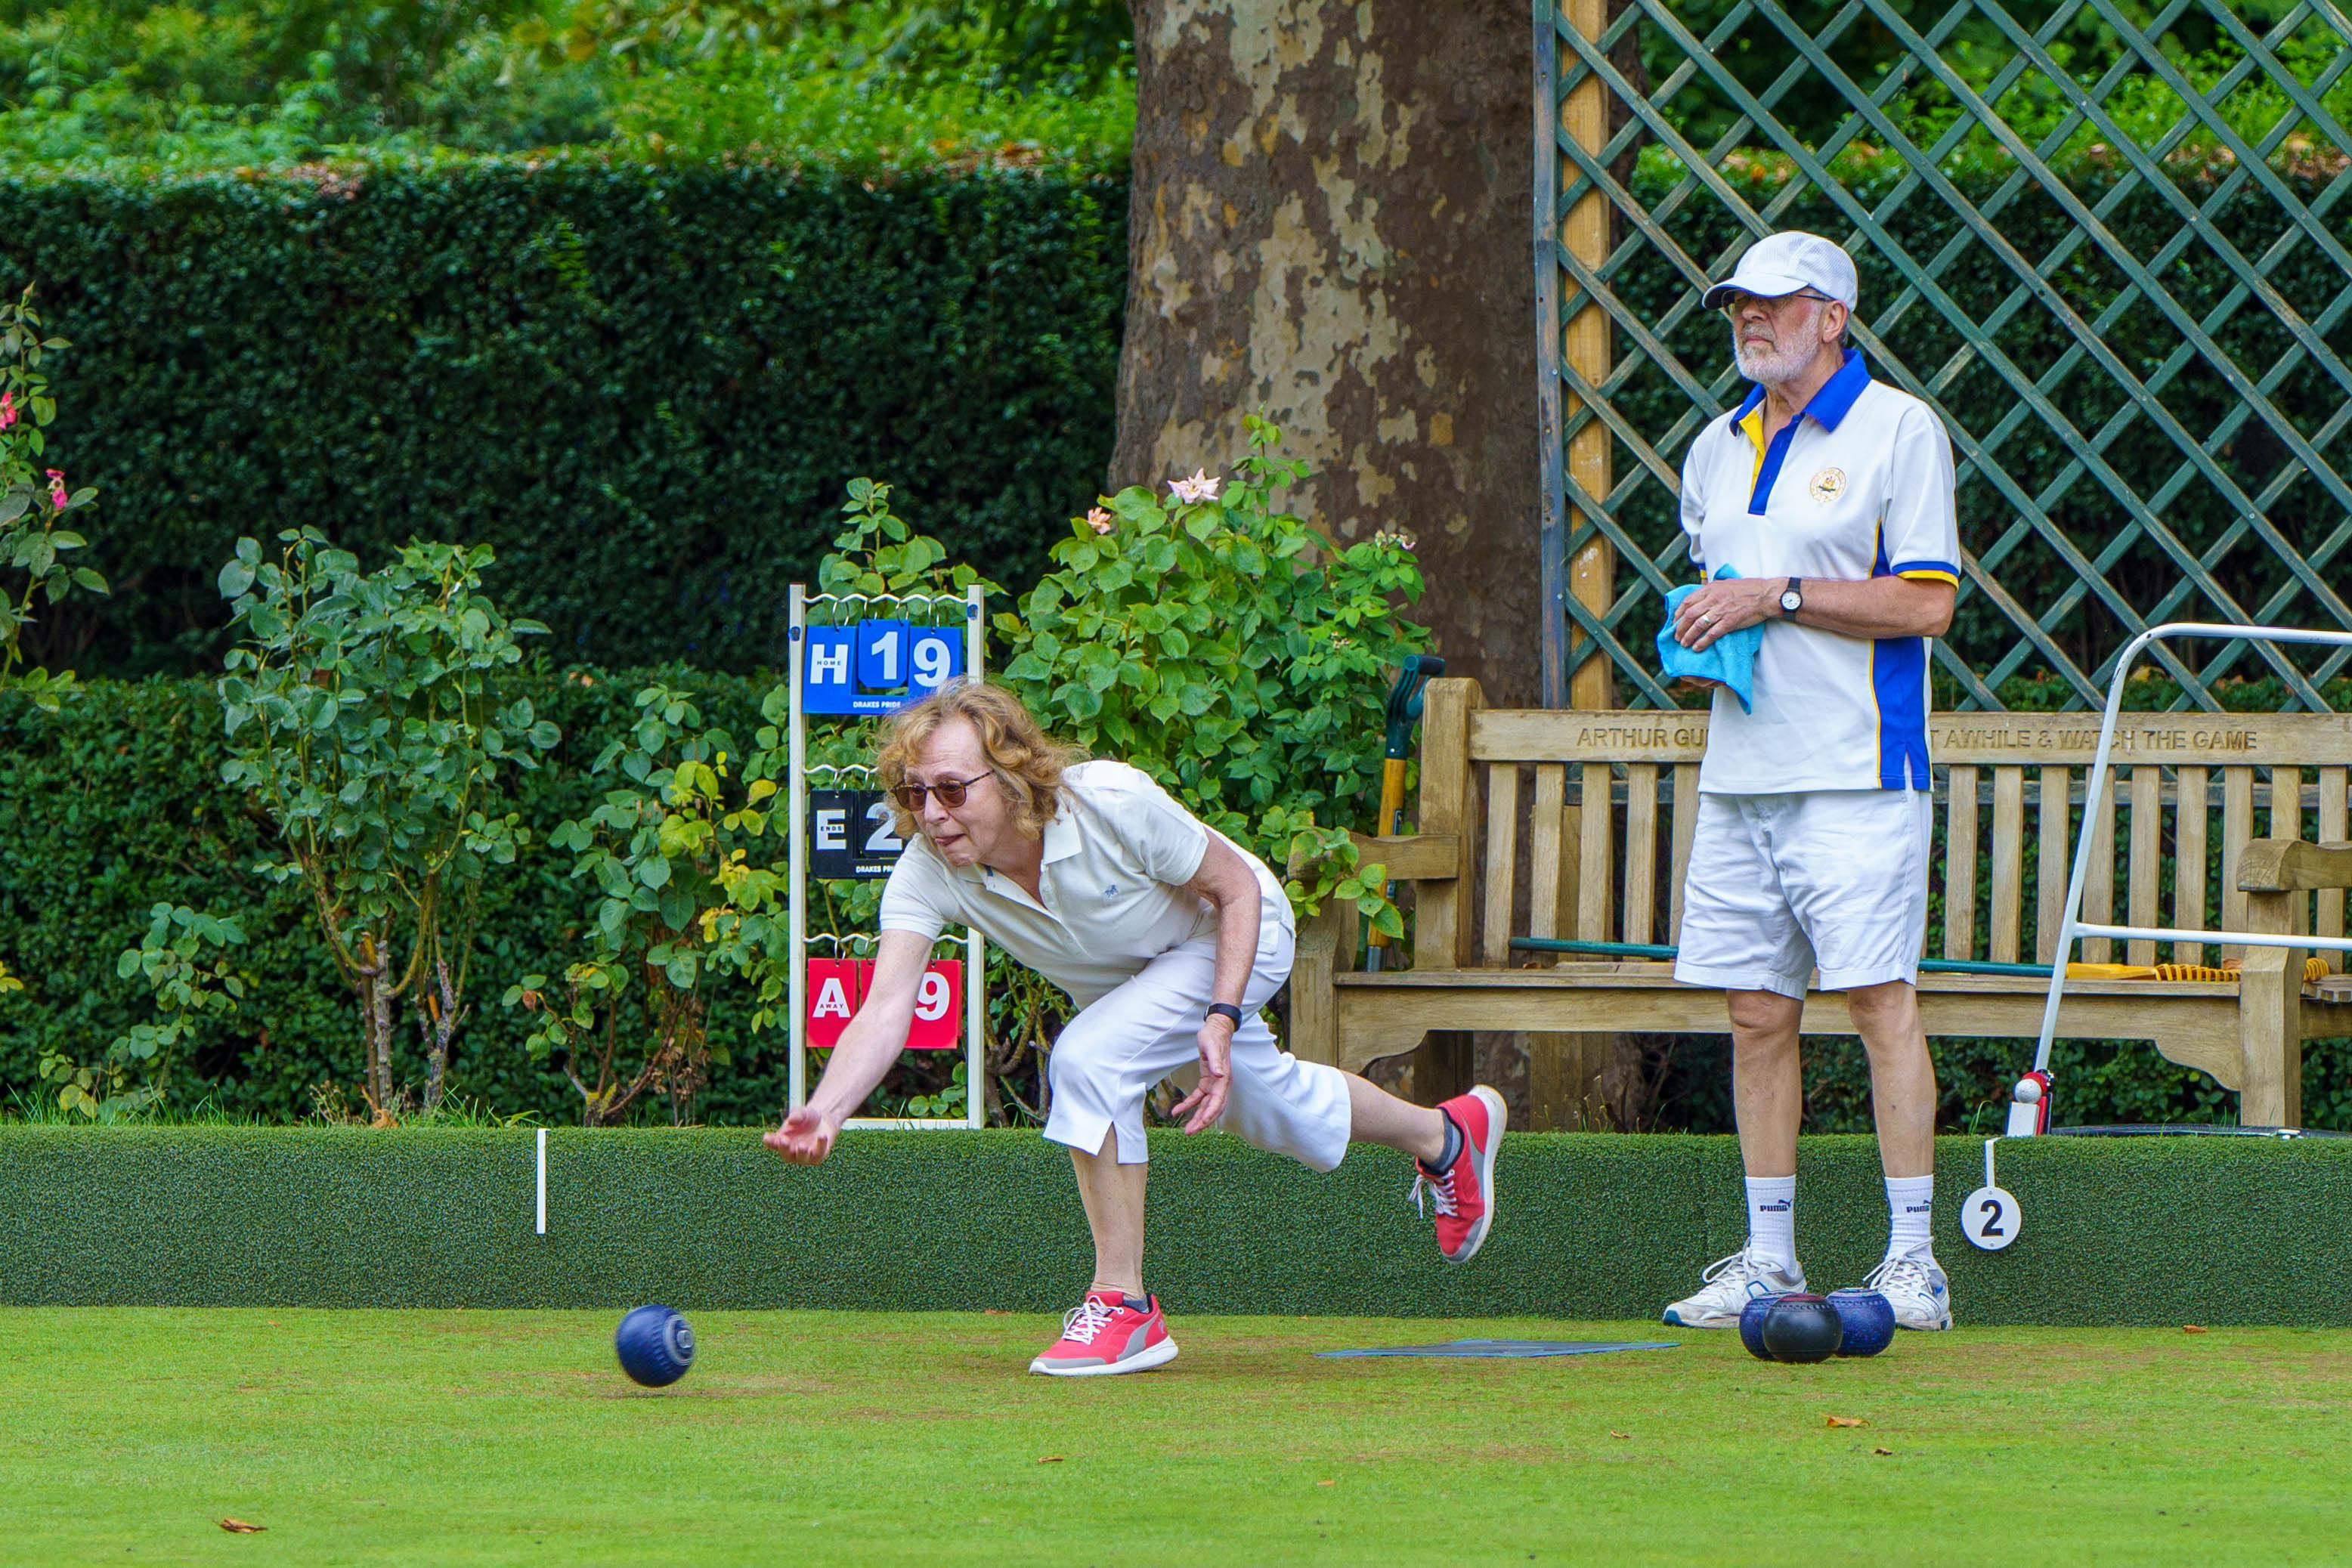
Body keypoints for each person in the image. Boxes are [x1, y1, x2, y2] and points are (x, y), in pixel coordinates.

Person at [766, 680, 1509, 1375]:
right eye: (914, 792)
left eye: (952, 789)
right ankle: (1447, 1136)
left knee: (1089, 1057)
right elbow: (888, 1002)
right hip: (1143, 982)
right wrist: (827, 1108)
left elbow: (1236, 886)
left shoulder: (1108, 800)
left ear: (1013, 773)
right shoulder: (929, 869)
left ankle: (1122, 1302)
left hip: (1233, 934)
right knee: (1271, 1106)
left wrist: (1220, 1014)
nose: (930, 812)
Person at [1659, 230, 1961, 1333]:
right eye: (1738, 303)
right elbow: (1728, 590)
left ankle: (1916, 1261)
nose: (1750, 318)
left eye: (1774, 303)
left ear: (1833, 315)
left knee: (1879, 1001)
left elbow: (1928, 602)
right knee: (1754, 1012)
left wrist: (1778, 596)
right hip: (1743, 772)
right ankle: (1769, 1257)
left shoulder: (1899, 429)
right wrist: (1709, 631)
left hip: (1859, 769)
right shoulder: (1713, 446)